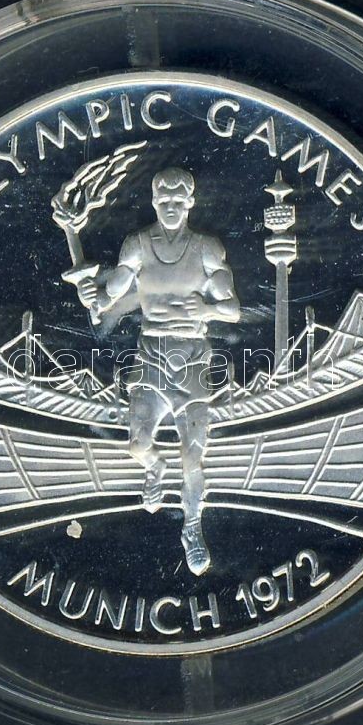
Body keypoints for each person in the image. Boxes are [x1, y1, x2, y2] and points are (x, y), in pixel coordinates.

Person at [77, 167, 240, 575]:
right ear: (154, 202)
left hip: (192, 358)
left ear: (190, 203)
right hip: (151, 354)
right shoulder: (136, 246)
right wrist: (92, 295)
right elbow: (109, 296)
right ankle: (154, 467)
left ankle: (192, 525)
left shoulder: (206, 249)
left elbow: (233, 310)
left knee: (193, 457)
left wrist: (207, 309)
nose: (170, 207)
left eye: (177, 201)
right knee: (137, 444)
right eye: (163, 200)